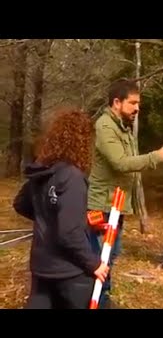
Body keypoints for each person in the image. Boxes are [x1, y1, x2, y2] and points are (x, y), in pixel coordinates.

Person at [87, 78, 163, 308]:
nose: (137, 108)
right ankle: (94, 301)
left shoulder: (122, 127)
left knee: (110, 256)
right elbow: (121, 163)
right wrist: (158, 156)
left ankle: (103, 299)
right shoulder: (105, 126)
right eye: (133, 103)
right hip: (102, 207)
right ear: (117, 102)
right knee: (99, 260)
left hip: (116, 206)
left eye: (138, 103)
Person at [13, 108, 109, 309]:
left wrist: (48, 217)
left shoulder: (44, 171)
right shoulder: (72, 177)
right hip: (68, 272)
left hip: (42, 267)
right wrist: (94, 264)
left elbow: (22, 204)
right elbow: (68, 232)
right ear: (82, 142)